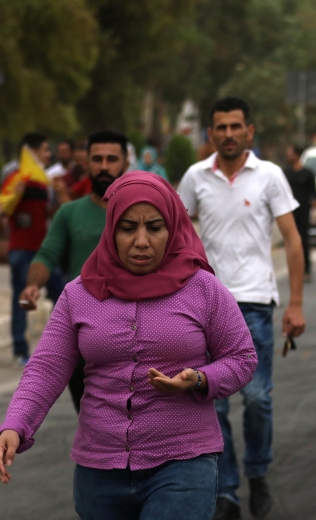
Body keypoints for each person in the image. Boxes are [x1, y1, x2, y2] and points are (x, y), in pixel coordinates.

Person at [0, 172, 258, 520]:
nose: (141, 241)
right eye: (127, 228)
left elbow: (242, 357)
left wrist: (198, 379)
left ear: (172, 228)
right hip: (99, 473)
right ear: (110, 230)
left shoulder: (203, 289)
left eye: (154, 227)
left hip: (183, 465)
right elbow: (47, 366)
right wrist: (15, 424)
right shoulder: (79, 294)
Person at [178, 97, 307, 520]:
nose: (229, 134)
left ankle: (257, 474)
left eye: (236, 126)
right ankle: (227, 490)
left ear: (250, 131)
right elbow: (177, 234)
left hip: (254, 303)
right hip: (206, 307)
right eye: (221, 127)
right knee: (212, 402)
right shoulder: (195, 178)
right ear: (210, 133)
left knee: (256, 397)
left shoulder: (270, 176)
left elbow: (291, 239)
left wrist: (296, 304)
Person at [18, 130, 130, 412]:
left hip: (134, 326)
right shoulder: (69, 213)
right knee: (91, 416)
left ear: (126, 162)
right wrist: (33, 285)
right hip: (83, 329)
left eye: (112, 159)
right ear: (87, 163)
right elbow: (47, 255)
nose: (104, 166)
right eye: (97, 159)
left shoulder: (141, 210)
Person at [1, 133, 61, 366]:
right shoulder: (15, 177)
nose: (48, 155)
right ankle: (20, 350)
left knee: (63, 294)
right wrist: (15, 193)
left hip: (44, 252)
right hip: (22, 251)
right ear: (32, 152)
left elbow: (45, 214)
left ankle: (63, 347)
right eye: (45, 150)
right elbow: (3, 208)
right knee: (22, 299)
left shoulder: (45, 181)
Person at [283, 145, 316, 282]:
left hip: (304, 212)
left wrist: (315, 212)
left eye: (290, 153)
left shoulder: (308, 173)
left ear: (297, 155)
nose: (288, 156)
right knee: (290, 242)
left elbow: (314, 195)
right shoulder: (285, 173)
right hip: (289, 213)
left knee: (304, 240)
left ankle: (307, 270)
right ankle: (293, 270)